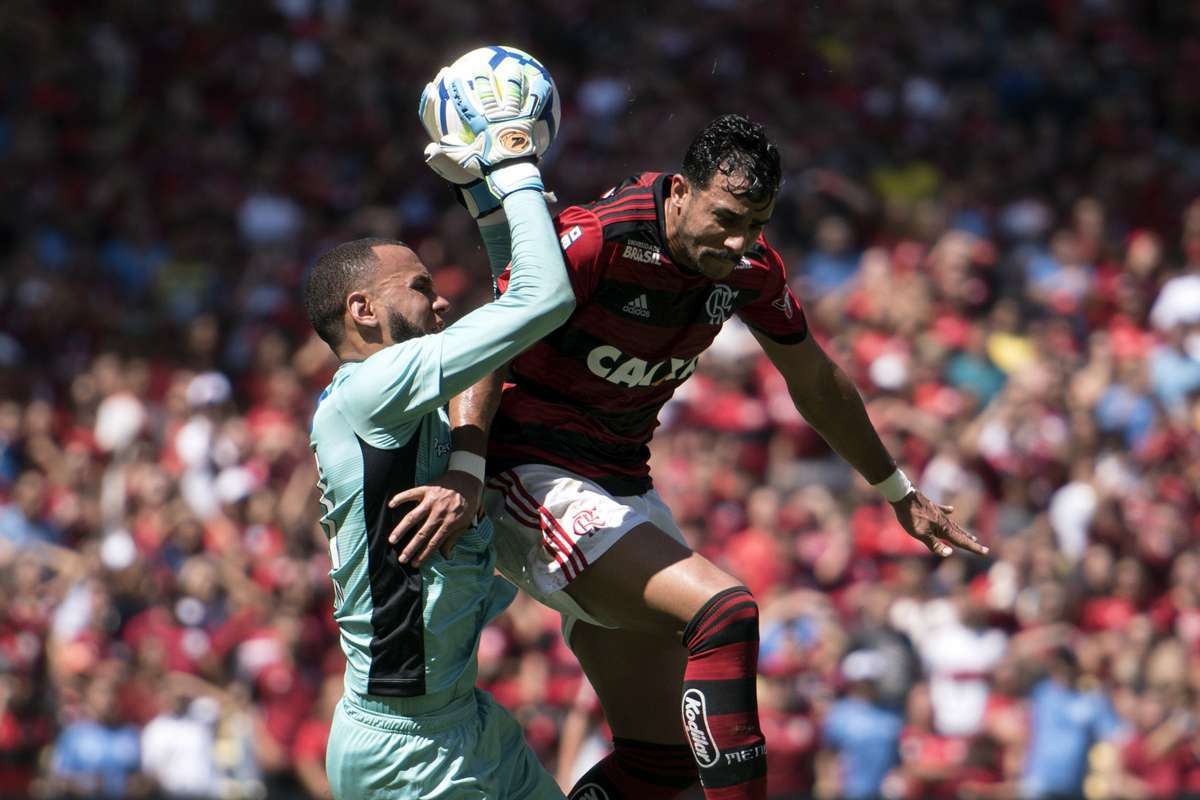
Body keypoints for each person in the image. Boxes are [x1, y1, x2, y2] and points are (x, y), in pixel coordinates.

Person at [404, 113, 988, 800]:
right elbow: (486, 341)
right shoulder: (600, 239)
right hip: (526, 472)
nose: (740, 240)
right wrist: (467, 467)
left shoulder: (746, 268)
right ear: (681, 190)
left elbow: (815, 381)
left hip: (619, 481)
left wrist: (898, 492)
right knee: (726, 612)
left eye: (758, 223)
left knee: (661, 764)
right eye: (727, 217)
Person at [305, 63, 575, 799]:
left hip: (466, 720)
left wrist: (466, 463)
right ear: (363, 311)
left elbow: (499, 336)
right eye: (420, 288)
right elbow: (541, 298)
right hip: (404, 750)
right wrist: (513, 164)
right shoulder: (368, 390)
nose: (440, 301)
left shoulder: (407, 392)